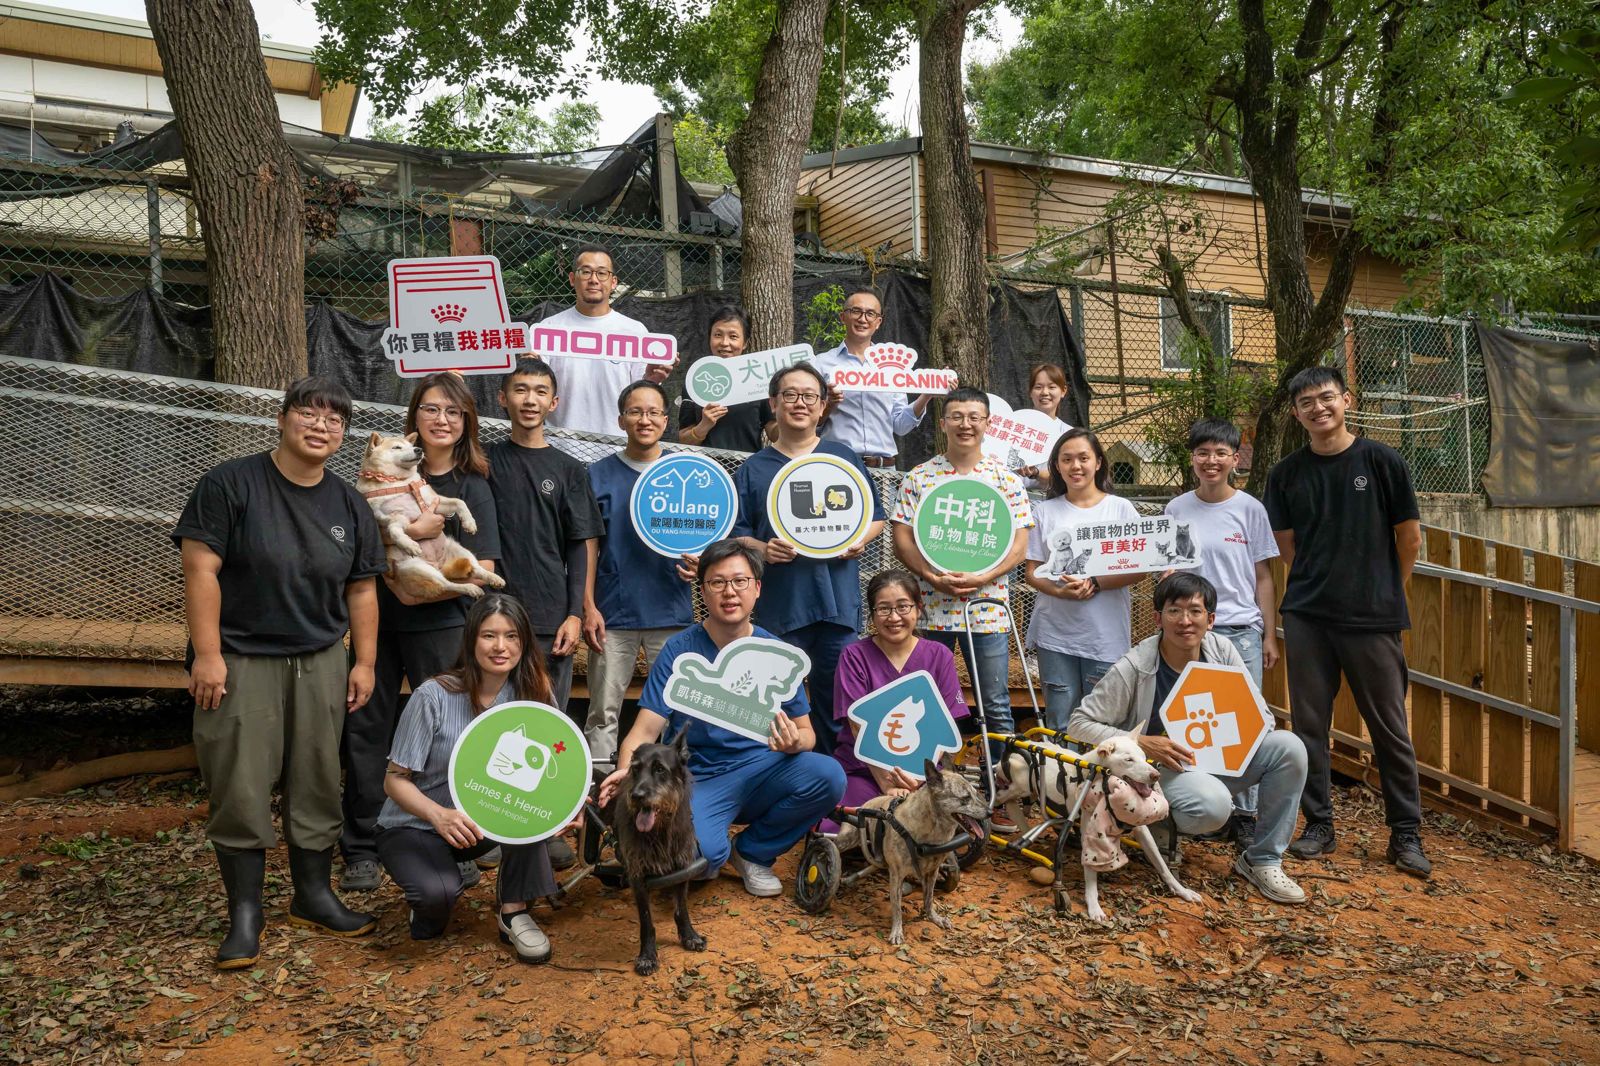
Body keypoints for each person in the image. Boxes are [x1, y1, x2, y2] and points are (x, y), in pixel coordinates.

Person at [173, 375, 387, 970]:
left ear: (345, 434)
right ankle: (246, 913)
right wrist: (208, 654)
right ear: (283, 418)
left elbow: (363, 588)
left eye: (334, 419)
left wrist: (363, 661)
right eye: (309, 414)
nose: (321, 427)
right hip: (241, 658)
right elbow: (200, 569)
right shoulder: (231, 483)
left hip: (320, 658)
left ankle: (313, 895)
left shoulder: (347, 502)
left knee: (318, 777)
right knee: (240, 781)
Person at [599, 540, 848, 897]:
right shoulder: (679, 650)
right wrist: (630, 775)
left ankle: (750, 852)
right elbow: (645, 730)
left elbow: (807, 733)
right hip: (701, 776)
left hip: (766, 767)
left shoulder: (778, 654)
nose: (729, 592)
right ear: (702, 590)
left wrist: (796, 741)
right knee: (697, 860)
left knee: (828, 776)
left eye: (740, 581)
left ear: (757, 588)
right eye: (717, 582)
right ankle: (715, 850)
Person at [1264, 366, 1430, 878]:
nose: (1319, 408)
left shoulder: (1382, 460)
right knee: (1309, 726)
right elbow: (1287, 546)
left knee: (1390, 729)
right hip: (1309, 615)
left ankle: (1405, 834)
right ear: (1296, 414)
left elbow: (1410, 539)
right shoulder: (1286, 473)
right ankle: (1319, 824)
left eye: (1327, 398)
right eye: (1307, 402)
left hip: (1373, 617)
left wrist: (1383, 590)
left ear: (1346, 400)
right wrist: (1321, 582)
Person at [340, 372, 501, 893]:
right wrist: (407, 534)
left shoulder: (471, 483)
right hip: (380, 622)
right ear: (412, 422)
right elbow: (363, 553)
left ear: (466, 423)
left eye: (453, 412)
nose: (442, 420)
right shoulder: (372, 477)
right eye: (431, 410)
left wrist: (431, 568)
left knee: (450, 733)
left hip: (444, 621)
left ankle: (457, 840)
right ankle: (362, 844)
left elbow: (484, 561)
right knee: (368, 726)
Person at [1069, 573, 1310, 904]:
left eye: (1195, 611)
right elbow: (1079, 724)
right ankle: (1152, 821)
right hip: (1158, 772)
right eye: (1174, 611)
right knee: (1214, 806)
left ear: (1210, 620)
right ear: (1157, 618)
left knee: (1289, 747)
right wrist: (1141, 742)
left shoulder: (1222, 651)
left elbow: (1260, 715)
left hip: (1217, 760)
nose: (1185, 621)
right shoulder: (1137, 666)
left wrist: (1234, 742)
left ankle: (1262, 860)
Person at [375, 595, 559, 963]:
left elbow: (553, 774)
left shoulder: (532, 696)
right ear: (471, 639)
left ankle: (514, 911)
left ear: (524, 642)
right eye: (489, 635)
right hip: (417, 823)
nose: (500, 647)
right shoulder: (434, 695)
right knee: (435, 903)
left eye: (511, 636)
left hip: (482, 819)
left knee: (531, 813)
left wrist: (564, 807)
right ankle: (434, 888)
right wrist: (439, 816)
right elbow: (394, 781)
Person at [731, 363, 885, 757]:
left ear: (821, 407)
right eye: (791, 395)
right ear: (774, 403)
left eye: (809, 396)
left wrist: (857, 540)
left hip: (837, 607)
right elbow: (737, 532)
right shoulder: (754, 468)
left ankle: (840, 791)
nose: (800, 403)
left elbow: (876, 519)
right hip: (780, 607)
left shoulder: (842, 456)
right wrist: (764, 550)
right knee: (775, 708)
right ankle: (784, 787)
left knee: (841, 707)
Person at [890, 388, 1034, 807]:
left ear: (988, 423)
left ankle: (1001, 796)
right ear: (943, 423)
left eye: (974, 416)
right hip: (932, 609)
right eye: (956, 416)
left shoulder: (1005, 480)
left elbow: (1020, 543)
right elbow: (901, 538)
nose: (966, 424)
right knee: (921, 701)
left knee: (995, 704)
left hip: (986, 611)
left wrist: (986, 574)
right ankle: (920, 792)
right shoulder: (920, 476)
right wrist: (931, 574)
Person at [489, 357, 604, 869]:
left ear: (553, 403)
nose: (530, 399)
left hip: (547, 618)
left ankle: (547, 825)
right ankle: (492, 827)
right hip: (489, 620)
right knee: (489, 724)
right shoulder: (483, 462)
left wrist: (577, 612)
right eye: (520, 390)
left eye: (540, 391)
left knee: (545, 726)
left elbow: (580, 544)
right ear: (503, 398)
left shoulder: (568, 469)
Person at [1164, 418, 1280, 847]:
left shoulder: (1250, 509)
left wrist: (1268, 634)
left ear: (1235, 459)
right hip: (1190, 630)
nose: (1211, 461)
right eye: (1202, 453)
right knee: (1197, 717)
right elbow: (1169, 571)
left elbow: (1263, 576)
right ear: (1192, 458)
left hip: (1239, 628)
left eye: (1220, 453)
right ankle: (1209, 804)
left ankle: (1246, 813)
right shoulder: (1176, 509)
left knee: (1244, 720)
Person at [582, 380, 696, 764]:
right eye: (635, 411)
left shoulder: (688, 475)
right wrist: (587, 606)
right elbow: (587, 547)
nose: (644, 420)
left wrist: (702, 566)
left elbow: (709, 540)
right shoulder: (596, 475)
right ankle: (597, 798)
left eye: (653, 412)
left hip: (672, 613)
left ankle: (670, 797)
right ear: (620, 419)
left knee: (676, 712)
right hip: (612, 613)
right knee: (602, 713)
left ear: (665, 420)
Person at [1022, 428, 1143, 733]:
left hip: (1105, 636)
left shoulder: (1121, 509)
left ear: (1098, 462)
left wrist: (1097, 583)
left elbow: (1143, 568)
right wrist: (1061, 592)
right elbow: (1032, 570)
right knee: (1059, 723)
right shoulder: (1044, 511)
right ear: (1057, 466)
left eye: (1083, 458)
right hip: (1056, 634)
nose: (1076, 466)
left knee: (1102, 725)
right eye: (1067, 459)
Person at [830, 570, 970, 816]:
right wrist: (886, 782)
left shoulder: (939, 655)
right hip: (864, 768)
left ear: (918, 608)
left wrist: (917, 777)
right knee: (851, 822)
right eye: (883, 609)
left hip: (922, 772)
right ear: (872, 614)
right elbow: (857, 725)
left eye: (903, 607)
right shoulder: (854, 656)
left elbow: (945, 726)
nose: (894, 617)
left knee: (938, 819)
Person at [537, 244, 674, 439]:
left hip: (618, 446)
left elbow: (640, 395)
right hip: (560, 447)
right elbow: (537, 390)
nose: (593, 280)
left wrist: (651, 380)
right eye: (585, 272)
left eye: (602, 273)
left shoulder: (634, 331)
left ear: (613, 282)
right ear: (571, 279)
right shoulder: (549, 328)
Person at [814, 287, 935, 467]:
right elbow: (810, 423)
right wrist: (829, 404)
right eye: (856, 311)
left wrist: (927, 394)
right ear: (843, 317)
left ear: (878, 322)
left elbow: (900, 426)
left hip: (884, 469)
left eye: (870, 314)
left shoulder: (893, 367)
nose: (863, 319)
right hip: (837, 465)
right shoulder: (820, 364)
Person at [676, 306, 775, 451]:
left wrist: (789, 423)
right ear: (709, 338)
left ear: (745, 342)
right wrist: (703, 426)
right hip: (706, 469)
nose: (724, 343)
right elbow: (684, 440)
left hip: (746, 468)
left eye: (733, 336)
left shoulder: (758, 379)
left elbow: (772, 428)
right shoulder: (695, 380)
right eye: (718, 335)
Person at [1015, 363, 1075, 484]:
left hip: (1055, 499)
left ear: (1063, 391)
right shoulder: (1013, 426)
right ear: (1030, 392)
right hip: (1013, 498)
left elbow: (1071, 475)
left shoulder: (1069, 434)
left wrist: (1036, 472)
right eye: (1038, 387)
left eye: (1052, 387)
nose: (1045, 392)